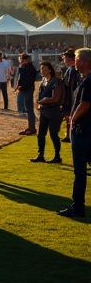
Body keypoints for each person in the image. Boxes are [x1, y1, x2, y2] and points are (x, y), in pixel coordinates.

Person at [58, 48, 91, 218]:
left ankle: (78, 206)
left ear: (83, 62)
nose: (74, 62)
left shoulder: (88, 81)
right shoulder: (85, 79)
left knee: (79, 171)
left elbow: (85, 104)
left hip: (83, 131)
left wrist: (72, 120)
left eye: (77, 59)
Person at [31, 62, 64, 164]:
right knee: (41, 134)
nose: (42, 71)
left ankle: (57, 156)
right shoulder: (44, 81)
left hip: (54, 111)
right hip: (44, 111)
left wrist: (42, 101)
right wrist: (38, 102)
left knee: (53, 134)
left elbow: (55, 98)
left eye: (44, 69)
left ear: (50, 69)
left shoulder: (56, 82)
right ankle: (41, 154)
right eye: (41, 69)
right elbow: (38, 96)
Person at [15, 54, 37, 135]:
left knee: (29, 109)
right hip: (26, 89)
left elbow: (26, 79)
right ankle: (30, 126)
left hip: (27, 89)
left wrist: (21, 86)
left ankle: (32, 127)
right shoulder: (26, 67)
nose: (21, 61)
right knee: (28, 109)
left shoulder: (29, 68)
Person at [62, 49, 79, 143]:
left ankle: (70, 135)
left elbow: (70, 86)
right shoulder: (71, 69)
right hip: (70, 96)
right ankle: (68, 135)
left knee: (69, 116)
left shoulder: (72, 70)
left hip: (70, 97)